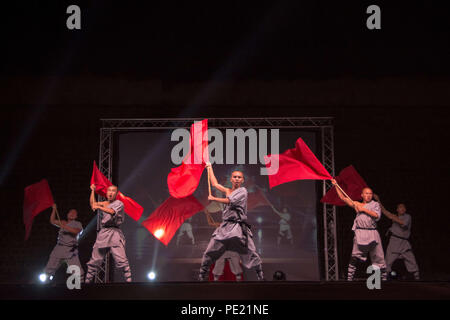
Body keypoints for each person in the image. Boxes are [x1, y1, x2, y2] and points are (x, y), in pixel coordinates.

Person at [198, 164, 264, 281]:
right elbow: (215, 184)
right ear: (231, 179)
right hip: (225, 226)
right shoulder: (228, 190)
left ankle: (260, 274)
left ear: (243, 180)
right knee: (210, 250)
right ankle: (202, 274)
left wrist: (214, 199)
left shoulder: (243, 191)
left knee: (250, 251)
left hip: (237, 226)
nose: (237, 179)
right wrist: (209, 168)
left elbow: (229, 201)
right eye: (235, 177)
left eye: (239, 177)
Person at [331, 179, 387, 281]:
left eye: (370, 193)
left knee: (378, 257)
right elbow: (343, 198)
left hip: (373, 232)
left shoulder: (375, 204)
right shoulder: (357, 204)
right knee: (355, 255)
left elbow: (376, 215)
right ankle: (349, 278)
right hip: (360, 232)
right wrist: (336, 185)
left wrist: (363, 209)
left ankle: (384, 279)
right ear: (362, 195)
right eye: (366, 193)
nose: (369, 195)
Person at [85, 184, 132, 283]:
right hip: (103, 233)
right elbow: (92, 203)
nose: (111, 192)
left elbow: (111, 211)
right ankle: (87, 283)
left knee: (121, 260)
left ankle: (129, 282)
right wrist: (93, 191)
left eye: (113, 191)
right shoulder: (104, 203)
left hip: (114, 233)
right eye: (109, 190)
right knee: (94, 260)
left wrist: (98, 206)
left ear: (116, 194)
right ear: (106, 193)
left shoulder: (119, 203)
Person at [373, 195, 420, 280]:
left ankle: (417, 277)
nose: (402, 209)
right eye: (400, 207)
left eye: (403, 207)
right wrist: (378, 200)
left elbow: (403, 224)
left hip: (404, 243)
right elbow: (384, 211)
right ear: (397, 209)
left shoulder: (407, 217)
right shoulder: (394, 216)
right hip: (394, 242)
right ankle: (384, 277)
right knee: (388, 261)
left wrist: (393, 217)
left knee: (411, 261)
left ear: (405, 209)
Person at [43, 204, 84, 282]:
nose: (72, 214)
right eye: (70, 212)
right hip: (59, 248)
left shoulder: (77, 224)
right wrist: (54, 209)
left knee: (78, 272)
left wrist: (65, 227)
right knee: (49, 269)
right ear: (67, 214)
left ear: (76, 217)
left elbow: (76, 231)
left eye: (74, 213)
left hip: (71, 250)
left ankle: (81, 287)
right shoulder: (63, 222)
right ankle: (45, 285)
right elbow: (52, 221)